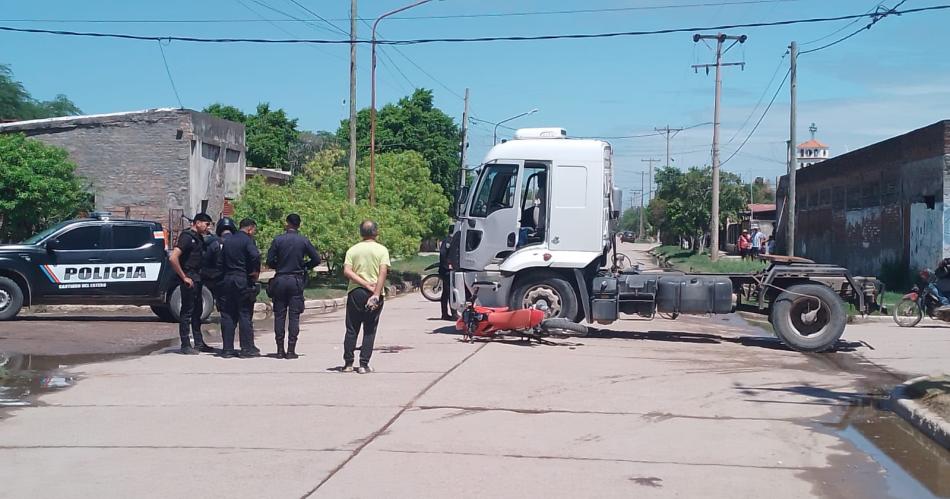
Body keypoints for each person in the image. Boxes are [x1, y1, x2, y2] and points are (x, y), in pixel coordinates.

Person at [266, 213, 321, 359]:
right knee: (294, 316)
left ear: (287, 224)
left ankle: (279, 350)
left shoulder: (278, 240)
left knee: (279, 315)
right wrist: (304, 266)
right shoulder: (303, 241)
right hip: (296, 280)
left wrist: (279, 265)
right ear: (299, 225)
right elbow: (316, 259)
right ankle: (291, 350)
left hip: (280, 279)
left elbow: (269, 260)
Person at [342, 220, 390, 374]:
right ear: (376, 232)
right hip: (374, 293)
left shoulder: (353, 250)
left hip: (356, 292)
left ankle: (348, 364)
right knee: (369, 329)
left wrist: (363, 284)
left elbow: (347, 271)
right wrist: (375, 292)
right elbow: (383, 272)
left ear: (361, 233)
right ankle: (364, 364)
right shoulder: (381, 250)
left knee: (351, 328)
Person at [169, 213, 214, 355]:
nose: (208, 227)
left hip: (198, 278)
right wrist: (184, 277)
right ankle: (185, 344)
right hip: (189, 279)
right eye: (206, 224)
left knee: (197, 312)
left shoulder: (199, 238)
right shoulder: (187, 237)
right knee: (187, 312)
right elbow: (173, 258)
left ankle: (199, 342)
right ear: (198, 222)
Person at [218, 218, 261, 358]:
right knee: (244, 313)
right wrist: (254, 271)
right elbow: (255, 255)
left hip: (227, 280)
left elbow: (220, 260)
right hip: (242, 279)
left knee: (228, 314)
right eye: (253, 230)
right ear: (250, 229)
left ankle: (227, 349)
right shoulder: (247, 241)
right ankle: (246, 348)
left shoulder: (227, 240)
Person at [438, 231, 454, 320]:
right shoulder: (448, 241)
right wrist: (448, 265)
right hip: (446, 270)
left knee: (448, 292)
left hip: (449, 270)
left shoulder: (452, 240)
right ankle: (447, 314)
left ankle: (448, 313)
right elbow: (443, 254)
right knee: (448, 292)